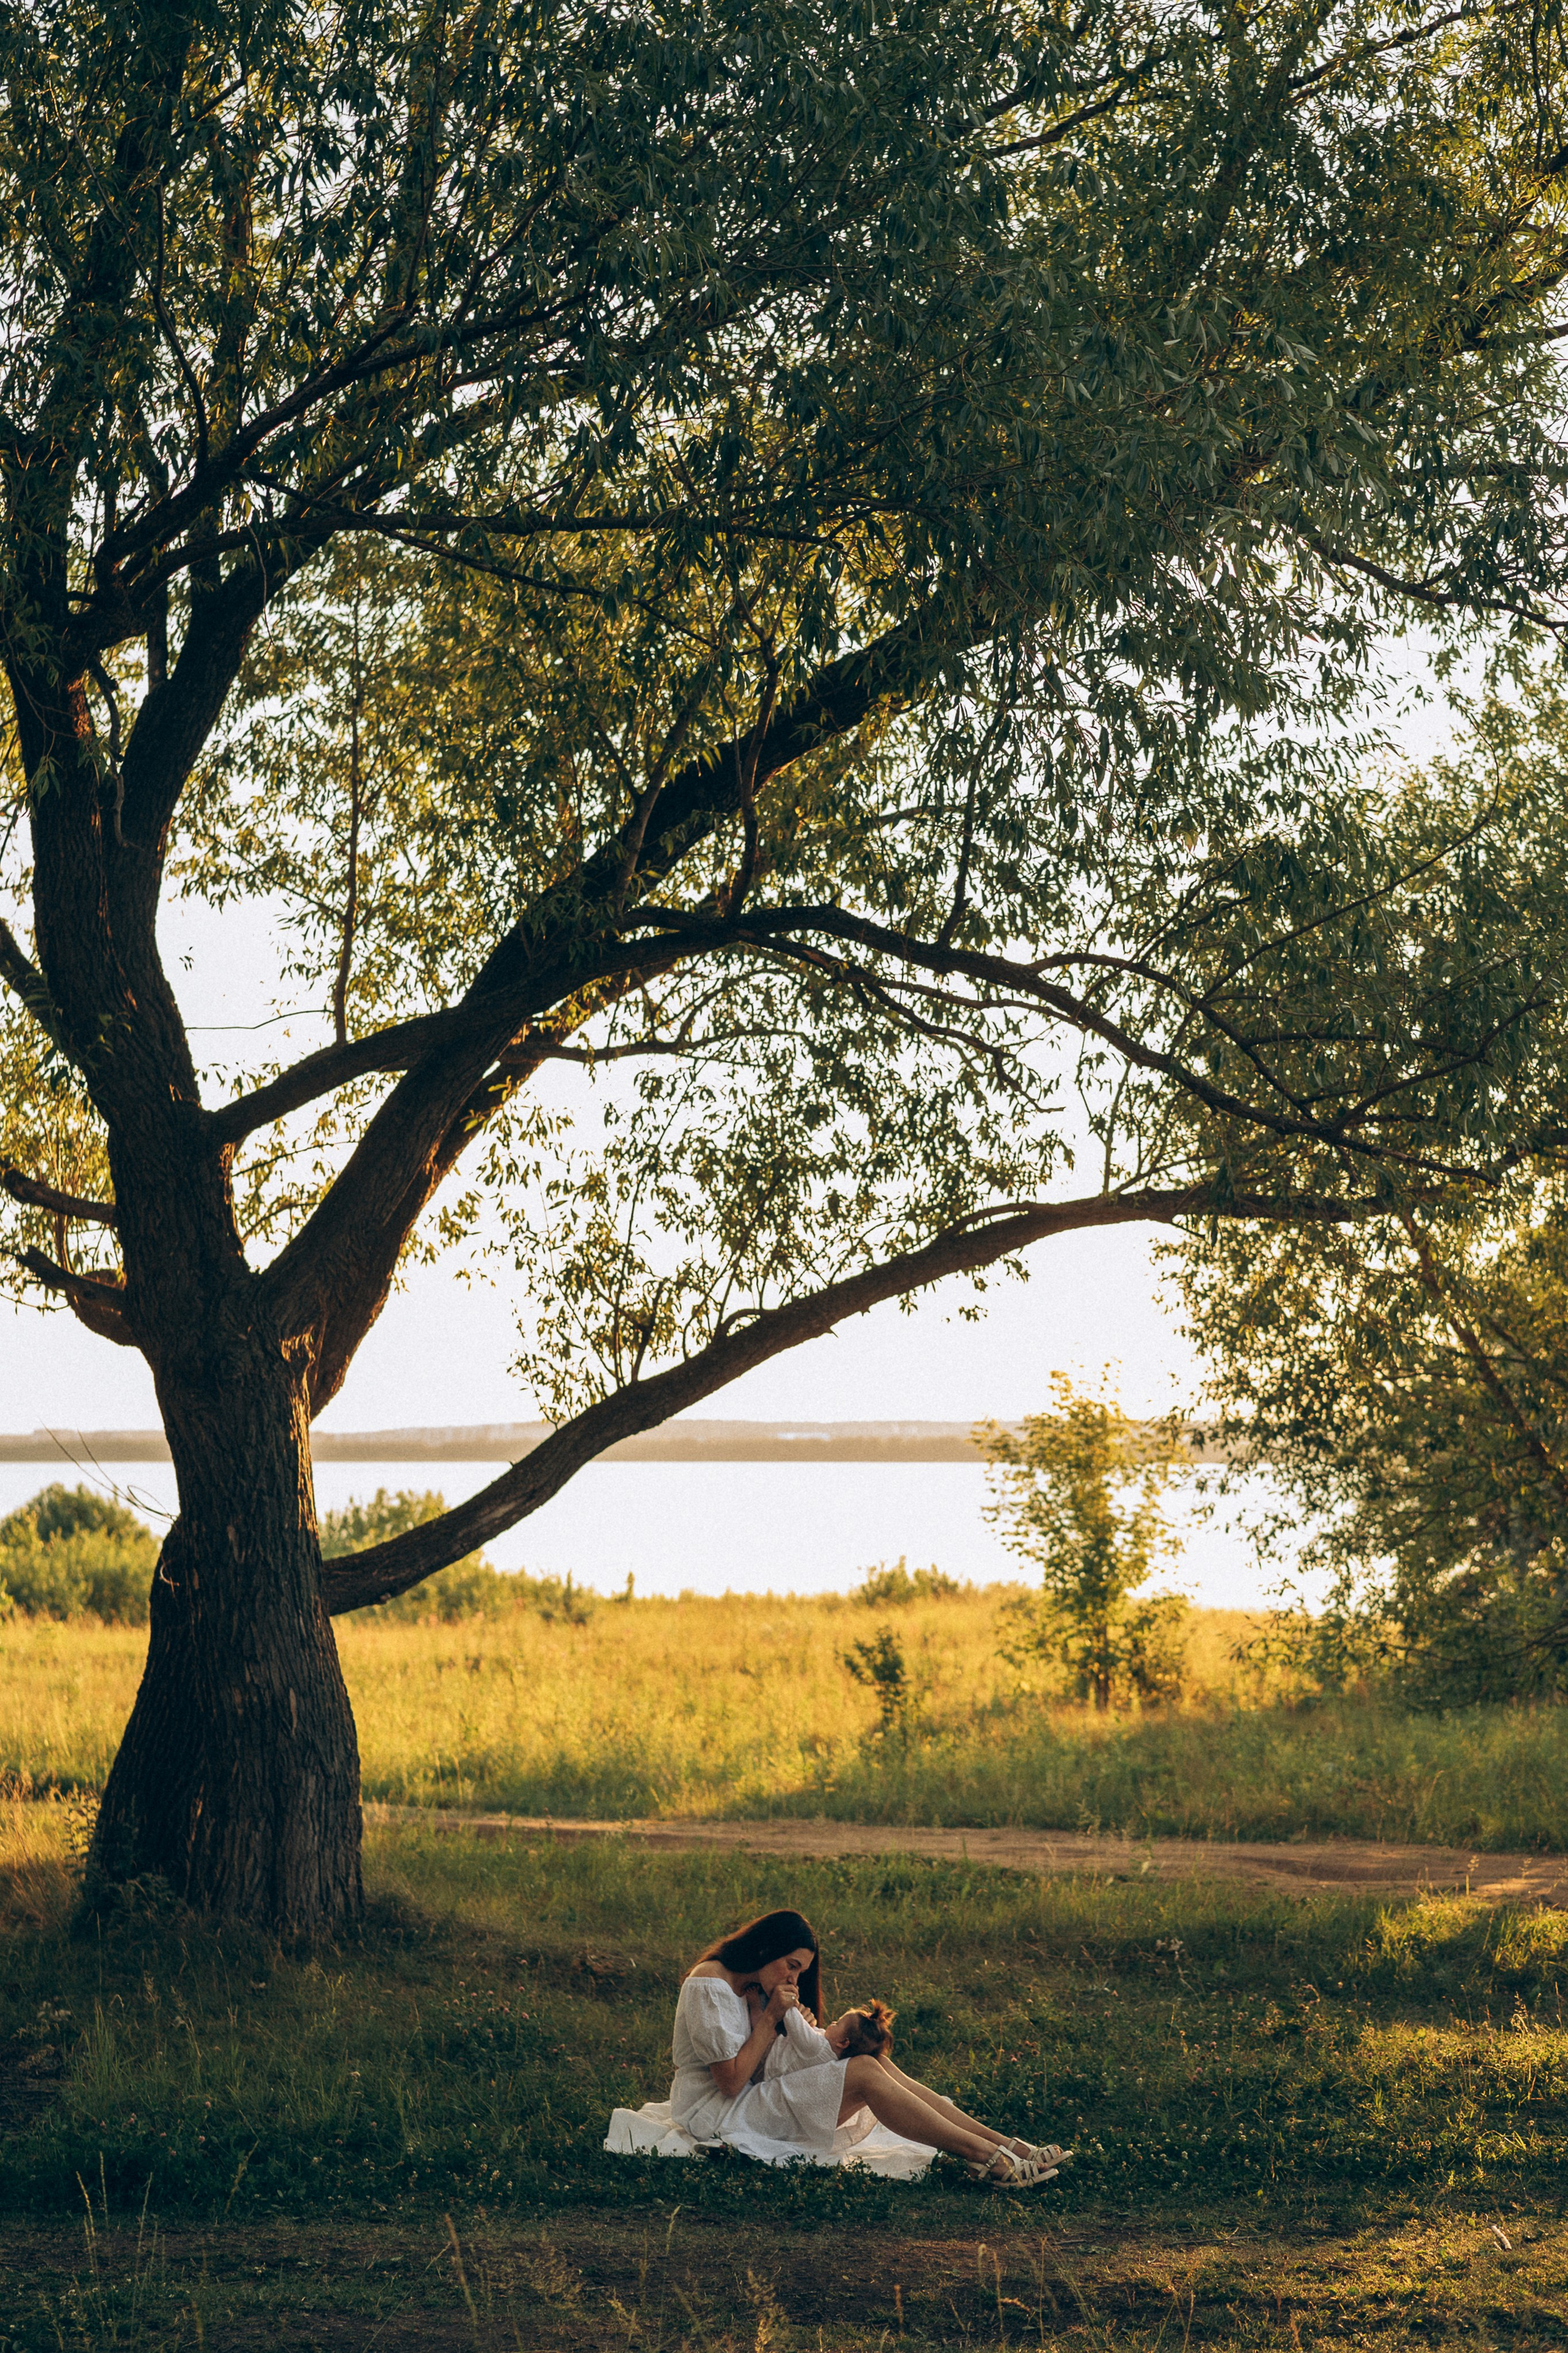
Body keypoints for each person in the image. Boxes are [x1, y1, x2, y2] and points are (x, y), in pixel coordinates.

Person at [670, 1906, 1069, 2186]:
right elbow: (731, 2082)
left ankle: (1005, 2144)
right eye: (791, 1964)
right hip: (717, 2112)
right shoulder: (710, 1984)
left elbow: (760, 2064)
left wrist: (796, 2029)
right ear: (765, 1946)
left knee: (869, 2059)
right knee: (862, 2073)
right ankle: (985, 2158)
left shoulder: (753, 1984)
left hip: (749, 2096)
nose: (794, 1977)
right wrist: (774, 2018)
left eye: (800, 1970)